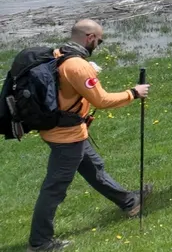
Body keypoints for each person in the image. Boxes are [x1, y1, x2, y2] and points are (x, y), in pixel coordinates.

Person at [27, 20, 151, 252]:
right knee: (54, 188)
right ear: (90, 37)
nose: (99, 44)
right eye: (99, 40)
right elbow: (101, 101)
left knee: (94, 168)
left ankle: (129, 202)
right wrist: (134, 93)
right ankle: (39, 242)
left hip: (63, 130)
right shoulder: (77, 66)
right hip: (66, 136)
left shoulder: (59, 54)